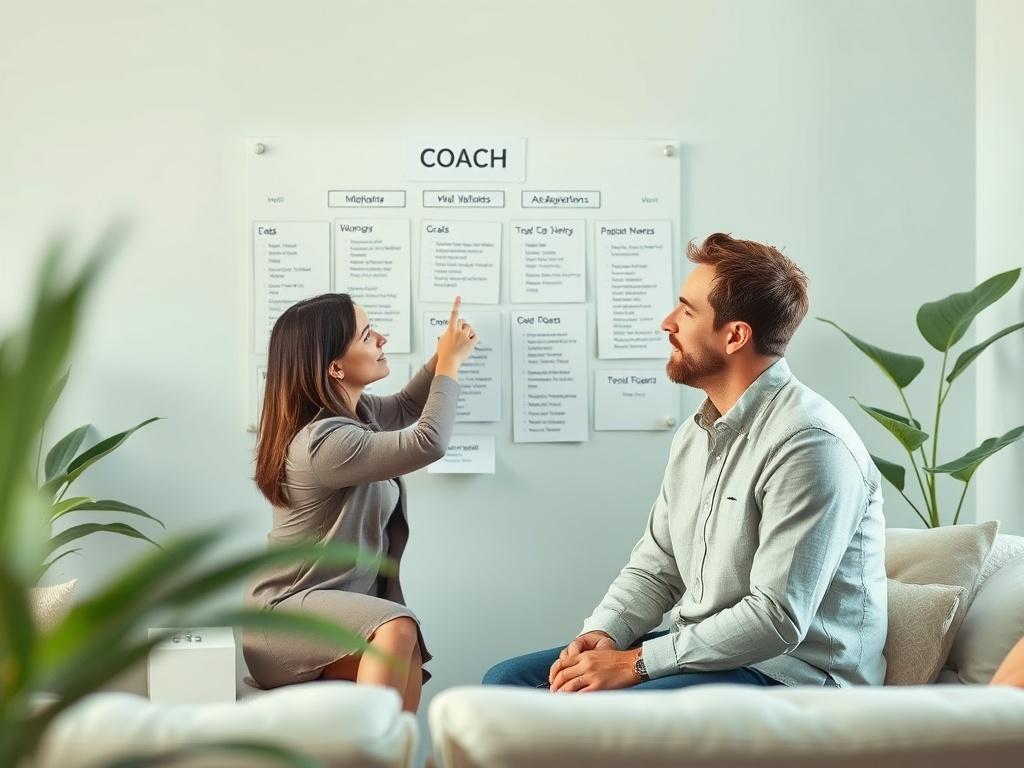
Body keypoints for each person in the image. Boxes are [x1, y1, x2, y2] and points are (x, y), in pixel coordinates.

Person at [484, 233, 888, 692]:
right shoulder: (696, 433)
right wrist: (605, 633)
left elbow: (777, 618)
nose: (667, 322)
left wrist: (635, 663)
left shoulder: (810, 444)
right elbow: (658, 563)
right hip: (704, 653)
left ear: (735, 336)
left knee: (604, 710)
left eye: (687, 310)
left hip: (791, 673)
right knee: (505, 683)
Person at [244, 294, 477, 712]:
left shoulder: (356, 413)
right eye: (368, 335)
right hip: (286, 620)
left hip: (325, 617)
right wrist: (450, 366)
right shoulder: (326, 442)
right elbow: (429, 441)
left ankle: (389, 756)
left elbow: (407, 407)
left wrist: (440, 355)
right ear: (335, 367)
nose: (382, 339)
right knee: (396, 626)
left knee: (403, 648)